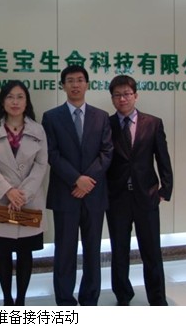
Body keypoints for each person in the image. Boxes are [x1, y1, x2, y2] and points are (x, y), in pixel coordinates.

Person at [41, 65, 113, 306]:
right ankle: (64, 300)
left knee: (93, 250)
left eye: (80, 80)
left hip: (94, 194)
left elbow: (106, 152)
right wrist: (76, 179)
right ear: (63, 85)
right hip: (65, 193)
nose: (75, 85)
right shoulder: (51, 117)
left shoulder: (101, 116)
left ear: (87, 84)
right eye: (70, 80)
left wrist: (87, 181)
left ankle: (90, 298)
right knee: (65, 250)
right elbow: (51, 153)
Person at [106, 75, 173, 306]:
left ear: (135, 95)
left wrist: (165, 189)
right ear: (112, 99)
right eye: (117, 95)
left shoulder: (153, 123)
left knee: (151, 250)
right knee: (119, 250)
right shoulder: (106, 124)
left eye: (126, 94)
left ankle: (157, 298)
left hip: (147, 196)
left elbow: (162, 158)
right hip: (117, 198)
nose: (122, 99)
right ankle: (123, 296)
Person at [0, 80, 48, 306]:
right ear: (2, 101)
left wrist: (22, 194)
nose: (15, 102)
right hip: (1, 200)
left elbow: (41, 165)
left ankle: (21, 301)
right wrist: (8, 191)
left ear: (27, 102)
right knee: (3, 252)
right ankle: (7, 300)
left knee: (25, 253)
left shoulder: (38, 130)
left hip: (28, 201)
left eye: (20, 97)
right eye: (10, 97)